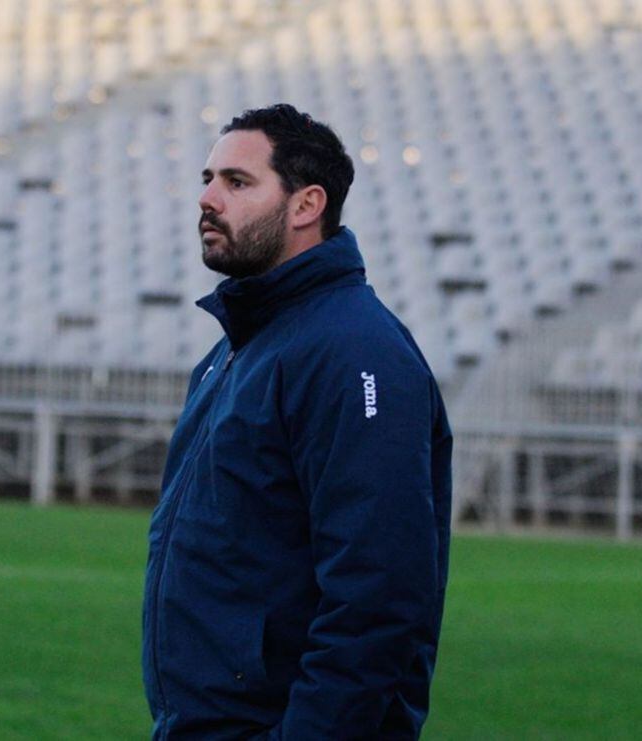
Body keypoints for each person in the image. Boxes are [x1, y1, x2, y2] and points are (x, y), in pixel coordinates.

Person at [141, 103, 453, 740]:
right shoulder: (239, 347)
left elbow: (378, 596)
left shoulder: (353, 352)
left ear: (307, 205)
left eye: (236, 182)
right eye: (207, 179)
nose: (207, 198)